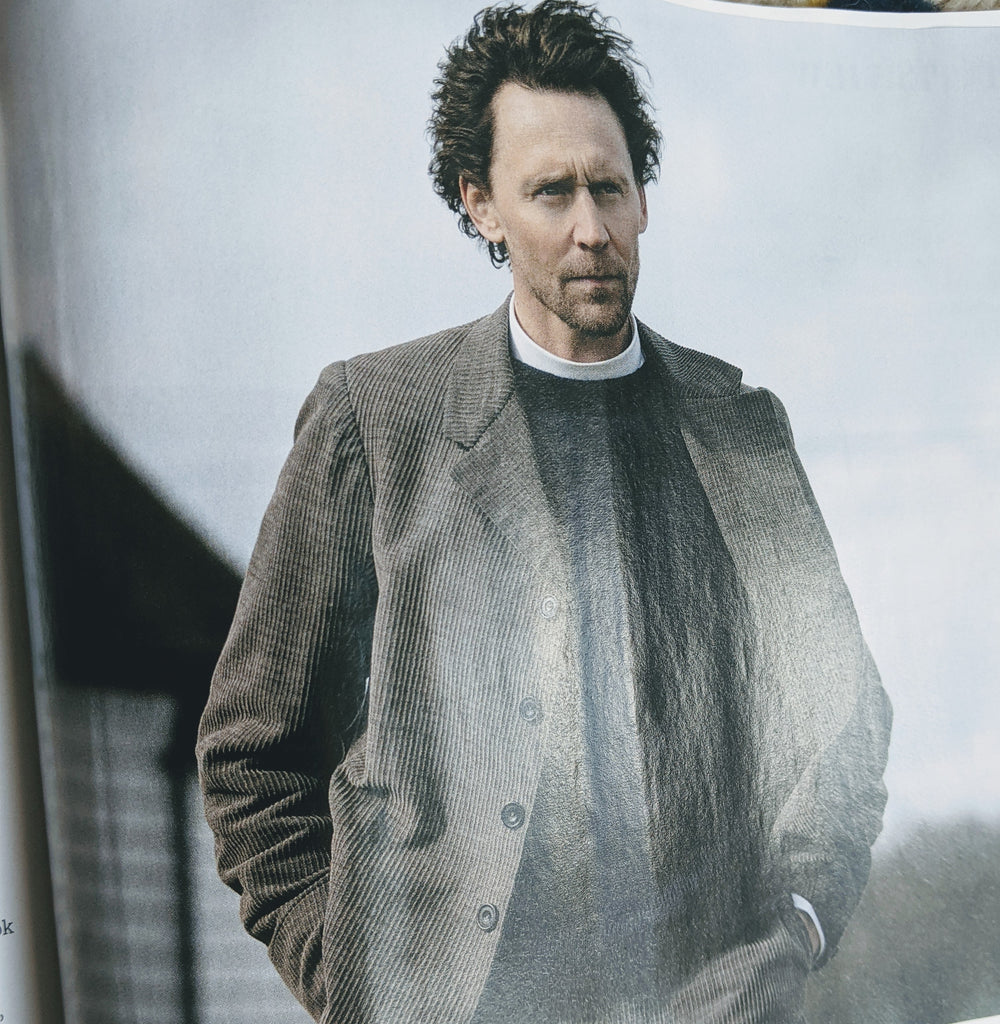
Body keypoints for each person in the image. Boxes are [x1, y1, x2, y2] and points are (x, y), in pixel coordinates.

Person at [196, 3, 891, 1022]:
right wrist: (355, 983)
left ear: (643, 196)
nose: (591, 229)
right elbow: (252, 756)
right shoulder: (374, 424)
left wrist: (799, 925)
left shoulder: (738, 427)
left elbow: (842, 718)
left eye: (610, 187)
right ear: (481, 204)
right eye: (551, 191)